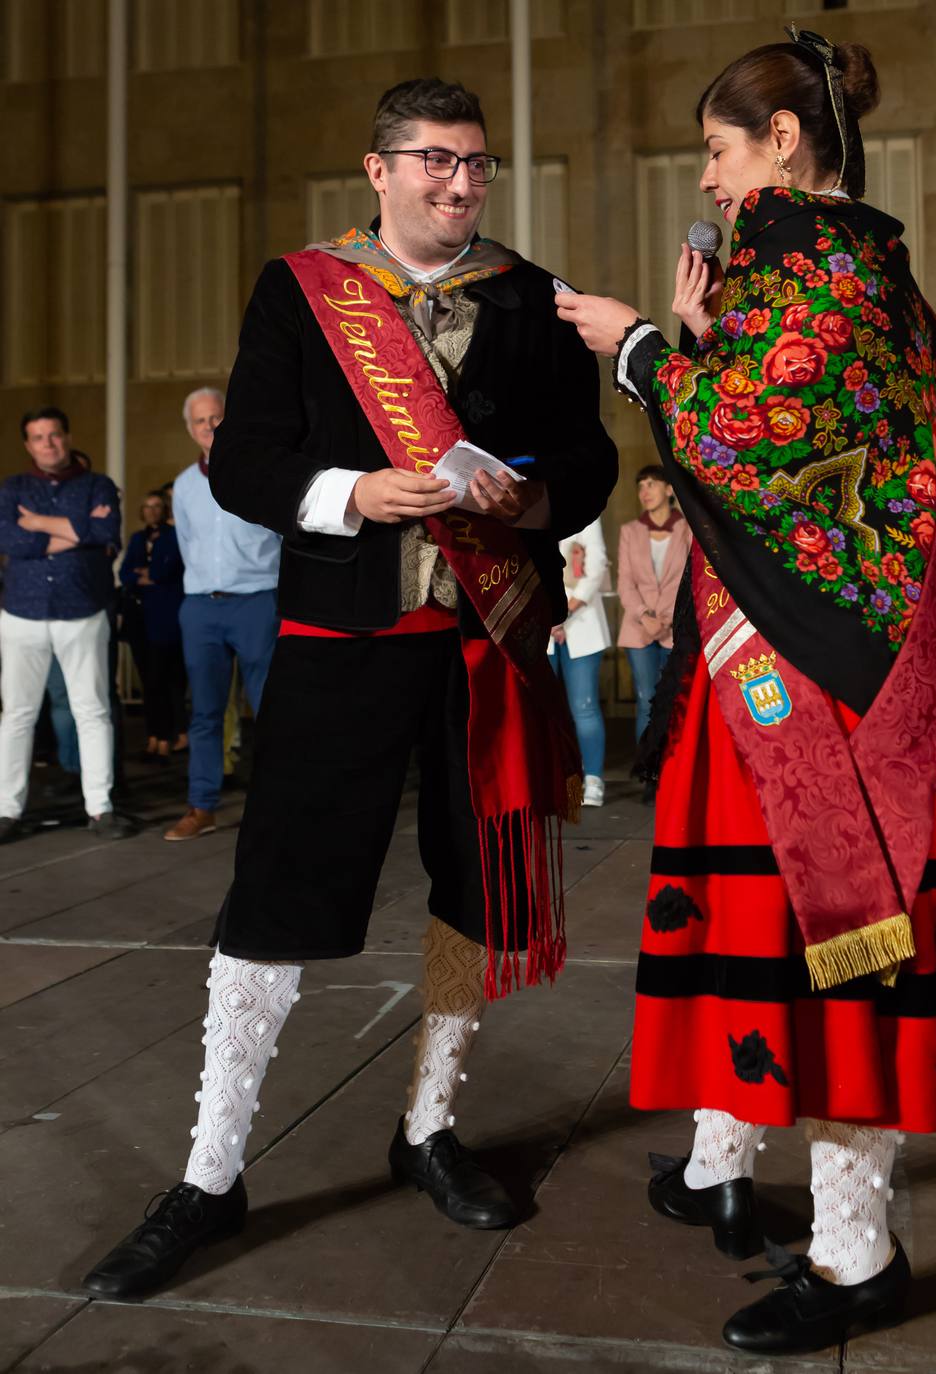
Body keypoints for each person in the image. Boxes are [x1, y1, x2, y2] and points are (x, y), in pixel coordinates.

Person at [83, 76, 616, 1301]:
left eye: (477, 163)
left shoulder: (529, 296)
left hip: (488, 631)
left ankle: (429, 1125)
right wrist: (357, 496)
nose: (461, 181)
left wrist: (532, 500)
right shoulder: (300, 289)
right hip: (342, 626)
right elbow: (251, 460)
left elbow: (586, 460)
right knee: (279, 888)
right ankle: (212, 1175)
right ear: (377, 171)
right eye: (436, 160)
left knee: (475, 884)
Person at [558, 30, 936, 1355]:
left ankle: (857, 1251)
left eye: (716, 149)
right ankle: (720, 1158)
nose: (707, 179)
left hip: (823, 676)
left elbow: (750, 433)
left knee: (830, 948)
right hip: (772, 650)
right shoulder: (839, 266)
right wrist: (701, 333)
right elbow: (774, 423)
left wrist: (641, 344)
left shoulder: (816, 258)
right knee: (750, 934)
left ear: (782, 140)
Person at [0, 408, 135, 842]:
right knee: (18, 715)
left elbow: (107, 531)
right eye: (38, 437)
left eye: (54, 435)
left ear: (67, 435)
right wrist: (79, 531)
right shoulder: (12, 488)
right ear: (28, 444)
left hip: (82, 610)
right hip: (21, 613)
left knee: (92, 711)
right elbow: (8, 540)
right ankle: (7, 810)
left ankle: (101, 809)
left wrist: (36, 524)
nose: (48, 443)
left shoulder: (98, 485)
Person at [163, 387, 281, 841]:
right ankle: (202, 806)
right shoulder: (184, 485)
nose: (209, 428)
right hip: (201, 608)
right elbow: (187, 544)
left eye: (216, 418)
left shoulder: (262, 474)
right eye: (199, 422)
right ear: (190, 430)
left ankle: (277, 806)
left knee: (270, 709)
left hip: (257, 602)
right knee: (205, 714)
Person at [617, 465, 692, 742]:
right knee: (647, 701)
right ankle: (647, 777)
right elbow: (625, 582)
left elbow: (693, 581)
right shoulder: (630, 531)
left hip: (676, 628)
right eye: (640, 485)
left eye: (651, 484)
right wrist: (645, 615)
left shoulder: (687, 530)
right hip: (639, 629)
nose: (644, 491)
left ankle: (672, 777)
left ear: (669, 489)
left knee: (675, 703)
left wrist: (670, 617)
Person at [118, 491, 187, 758]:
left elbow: (165, 570)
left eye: (157, 506)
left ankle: (169, 734)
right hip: (140, 618)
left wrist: (147, 574)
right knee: (148, 678)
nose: (152, 510)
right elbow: (125, 573)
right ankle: (154, 736)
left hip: (166, 617)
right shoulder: (137, 538)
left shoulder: (173, 537)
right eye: (147, 506)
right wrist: (142, 576)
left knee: (166, 678)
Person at [549, 517, 612, 807]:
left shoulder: (587, 516)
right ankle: (553, 780)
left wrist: (564, 612)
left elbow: (596, 565)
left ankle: (593, 779)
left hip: (581, 620)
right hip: (541, 627)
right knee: (545, 710)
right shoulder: (529, 512)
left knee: (583, 706)